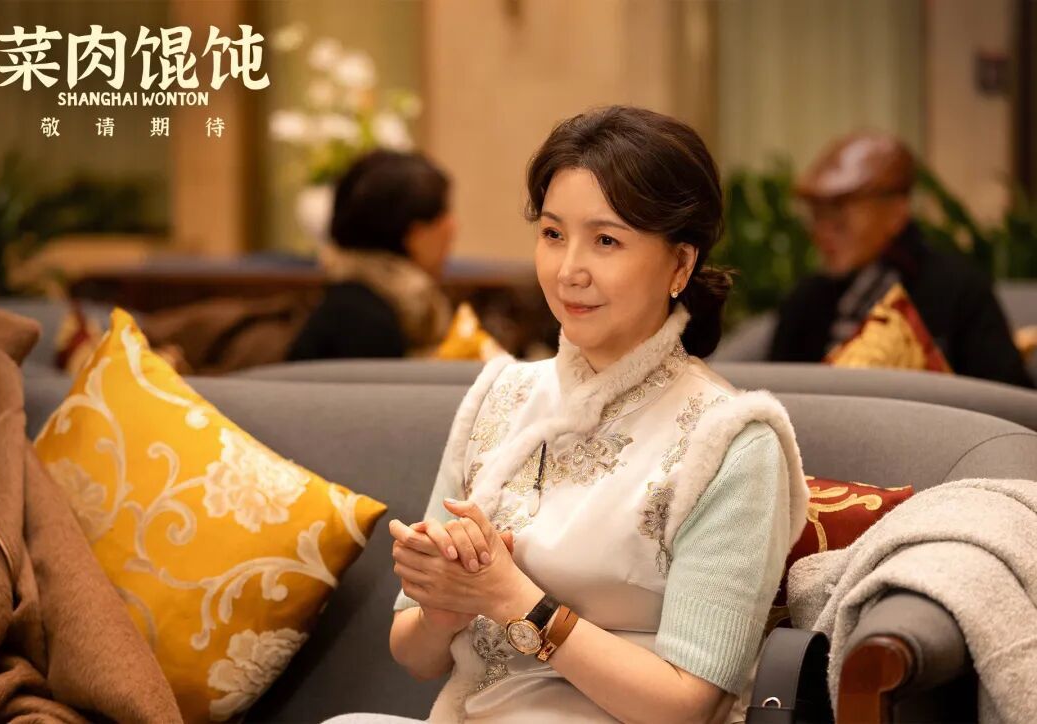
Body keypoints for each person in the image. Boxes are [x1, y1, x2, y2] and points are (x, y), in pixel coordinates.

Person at [327, 107, 810, 724]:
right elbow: (415, 654)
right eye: (553, 234)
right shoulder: (499, 394)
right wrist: (446, 607)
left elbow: (689, 704)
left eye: (606, 241)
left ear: (680, 265)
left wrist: (514, 599)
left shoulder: (730, 441)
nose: (568, 270)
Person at [769, 131, 1033, 388]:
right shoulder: (806, 299)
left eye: (839, 215)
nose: (822, 231)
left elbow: (1007, 400)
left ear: (896, 212)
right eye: (816, 215)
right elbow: (775, 394)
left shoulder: (959, 290)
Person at [287, 150, 455, 361]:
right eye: (444, 212)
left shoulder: (376, 303)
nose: (453, 226)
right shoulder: (359, 322)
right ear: (415, 235)